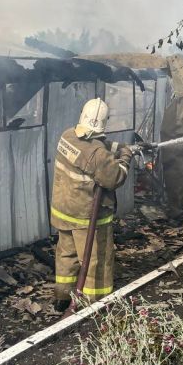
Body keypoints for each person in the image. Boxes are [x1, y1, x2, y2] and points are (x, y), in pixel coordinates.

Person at [51, 98, 135, 311]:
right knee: (97, 260)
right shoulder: (97, 155)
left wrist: (119, 146)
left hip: (63, 211)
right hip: (86, 218)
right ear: (104, 121)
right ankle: (94, 303)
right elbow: (114, 177)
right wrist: (126, 155)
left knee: (66, 255)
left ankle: (62, 298)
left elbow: (95, 146)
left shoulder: (68, 135)